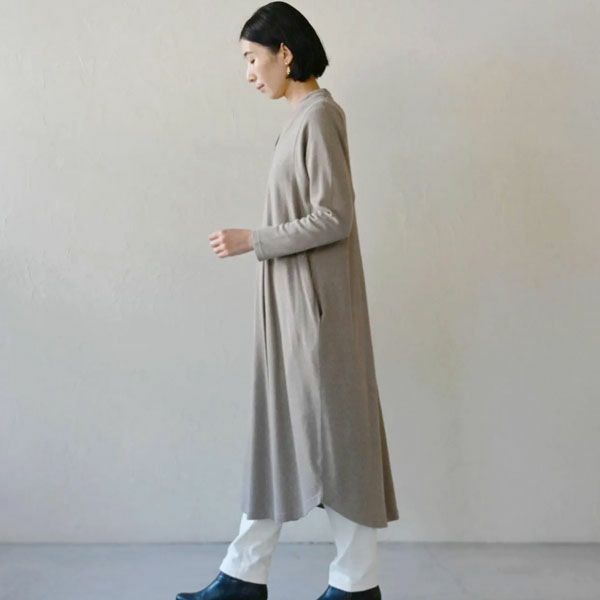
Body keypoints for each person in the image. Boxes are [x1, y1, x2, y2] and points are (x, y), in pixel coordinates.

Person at [176, 2, 399, 599]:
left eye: (253, 58)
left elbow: (334, 217)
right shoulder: (301, 118)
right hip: (295, 309)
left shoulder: (319, 116)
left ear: (285, 53)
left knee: (335, 441)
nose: (249, 73)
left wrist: (255, 240)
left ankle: (351, 583)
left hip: (316, 314)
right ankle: (246, 574)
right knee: (285, 434)